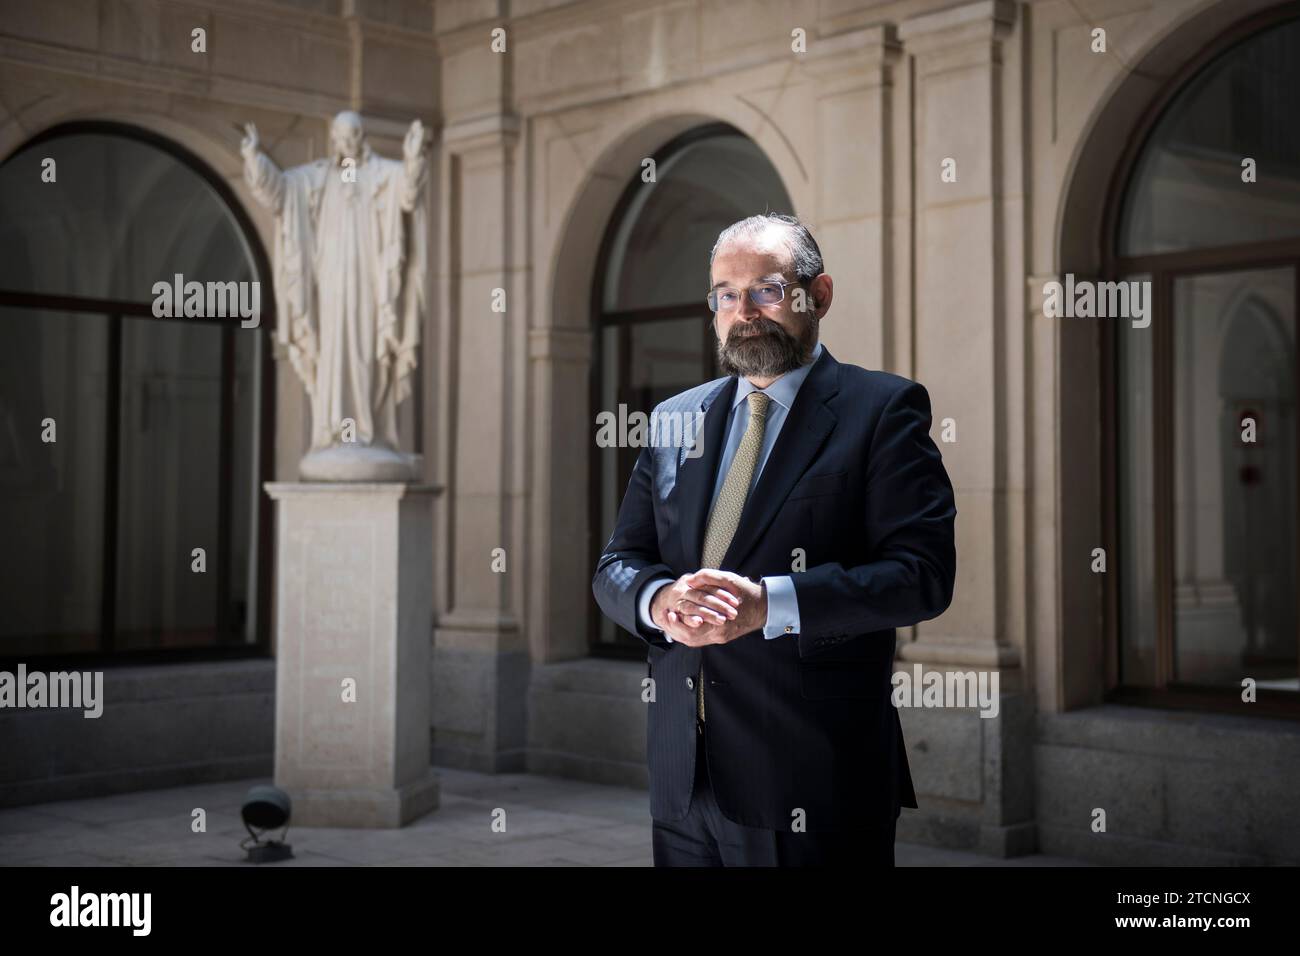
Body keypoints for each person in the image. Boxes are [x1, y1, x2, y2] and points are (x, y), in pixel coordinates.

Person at [592, 213, 957, 866]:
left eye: (766, 289)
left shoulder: (882, 411)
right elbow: (618, 563)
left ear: (817, 297)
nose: (744, 310)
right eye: (726, 294)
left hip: (813, 779)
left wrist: (770, 604)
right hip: (684, 779)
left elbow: (921, 574)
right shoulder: (675, 419)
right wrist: (658, 600)